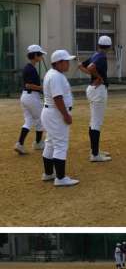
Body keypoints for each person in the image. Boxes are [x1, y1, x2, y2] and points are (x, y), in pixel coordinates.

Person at [41, 49, 79, 186]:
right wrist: (66, 115)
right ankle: (60, 178)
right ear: (58, 63)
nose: (68, 64)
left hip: (51, 112)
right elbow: (57, 98)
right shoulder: (56, 76)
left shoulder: (52, 74)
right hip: (56, 114)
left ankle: (48, 173)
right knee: (60, 144)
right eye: (66, 61)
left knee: (51, 142)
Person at [78, 36, 112, 162]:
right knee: (96, 122)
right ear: (109, 47)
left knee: (93, 122)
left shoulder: (95, 55)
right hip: (98, 90)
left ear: (98, 45)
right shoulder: (102, 57)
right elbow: (91, 67)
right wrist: (99, 77)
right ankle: (95, 154)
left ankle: (94, 150)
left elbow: (81, 65)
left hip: (92, 89)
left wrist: (94, 75)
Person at [15, 44, 47, 155]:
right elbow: (28, 85)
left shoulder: (29, 67)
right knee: (40, 120)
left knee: (28, 121)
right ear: (35, 55)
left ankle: (19, 144)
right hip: (32, 97)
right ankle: (38, 143)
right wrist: (43, 88)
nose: (42, 56)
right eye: (40, 54)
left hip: (26, 97)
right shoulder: (30, 69)